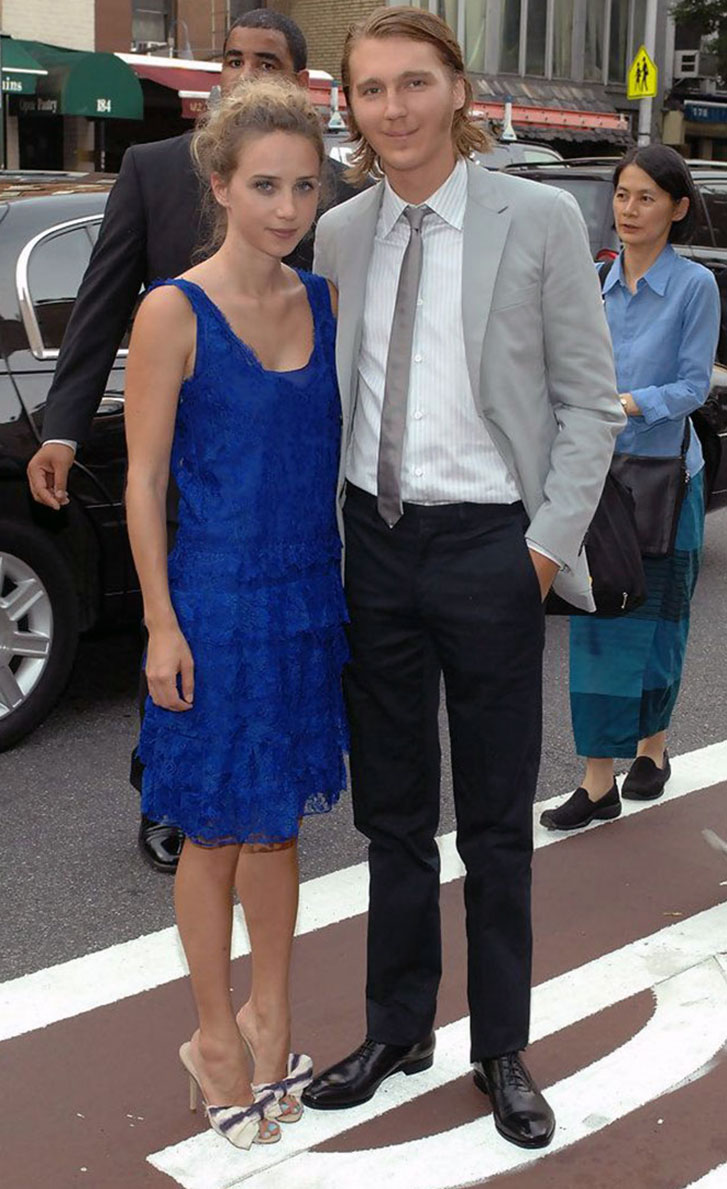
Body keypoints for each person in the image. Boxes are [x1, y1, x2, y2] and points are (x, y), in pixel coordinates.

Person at [301, 6, 624, 1151]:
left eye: (413, 82)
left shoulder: (536, 218)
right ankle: (398, 1029)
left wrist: (538, 552)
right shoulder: (339, 233)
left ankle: (500, 1045)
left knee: (492, 819)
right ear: (351, 105)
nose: (393, 107)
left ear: (457, 89)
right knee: (393, 815)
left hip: (493, 545)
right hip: (374, 547)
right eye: (371, 88)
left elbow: (589, 404)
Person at [25, 7, 359, 875]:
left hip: (287, 469)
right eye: (233, 57)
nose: (245, 72)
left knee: (270, 662)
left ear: (298, 81)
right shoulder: (153, 168)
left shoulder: (330, 191)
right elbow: (102, 302)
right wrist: (62, 428)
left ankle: (260, 791)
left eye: (265, 61)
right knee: (183, 629)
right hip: (188, 456)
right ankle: (170, 795)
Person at [124, 76, 348, 1149]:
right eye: (264, 185)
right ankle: (214, 1037)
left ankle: (274, 1019)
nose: (287, 207)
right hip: (212, 605)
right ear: (219, 184)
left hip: (307, 601)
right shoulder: (171, 310)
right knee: (213, 833)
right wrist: (161, 623)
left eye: (304, 186)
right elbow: (141, 481)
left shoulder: (326, 301)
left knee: (277, 829)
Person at [541, 146, 720, 834]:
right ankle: (597, 780)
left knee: (661, 626)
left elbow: (692, 386)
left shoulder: (694, 287)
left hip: (666, 479)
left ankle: (652, 747)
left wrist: (624, 403)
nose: (630, 209)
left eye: (647, 197)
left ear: (677, 208)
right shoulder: (591, 281)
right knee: (596, 624)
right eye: (622, 195)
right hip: (594, 481)